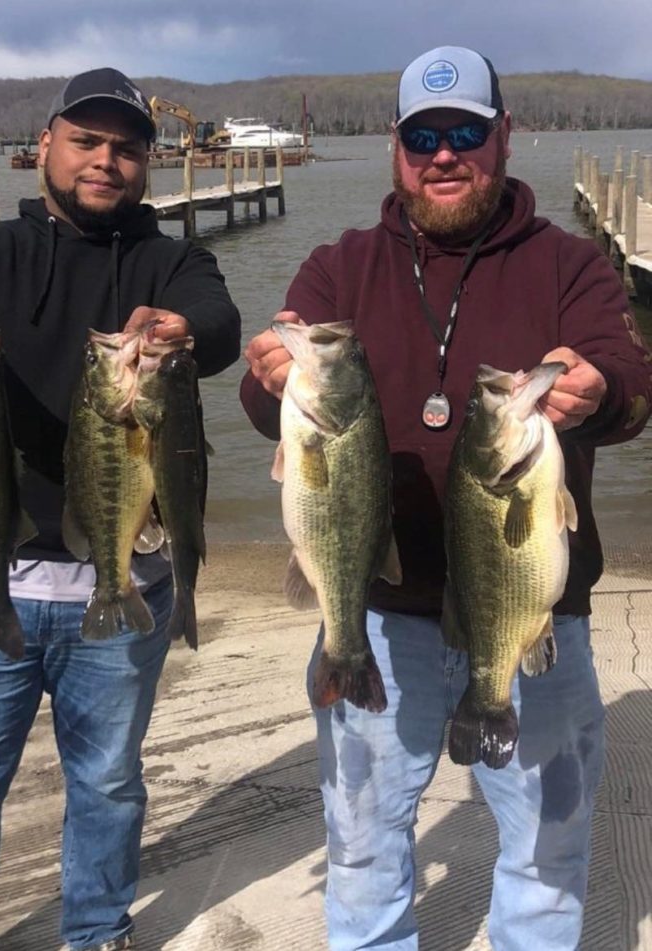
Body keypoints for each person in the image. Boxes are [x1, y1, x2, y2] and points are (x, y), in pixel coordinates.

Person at [240, 45, 652, 951]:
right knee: (361, 841)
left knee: (548, 845)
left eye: (464, 131)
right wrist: (269, 373)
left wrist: (604, 390)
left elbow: (628, 377)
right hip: (377, 608)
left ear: (503, 136)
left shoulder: (569, 264)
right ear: (397, 147)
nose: (444, 154)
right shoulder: (340, 264)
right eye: (424, 135)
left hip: (531, 613)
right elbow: (268, 393)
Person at [0, 67, 241, 951]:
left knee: (110, 782)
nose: (104, 161)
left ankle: (96, 931)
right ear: (43, 144)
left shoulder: (171, 259)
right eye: (85, 141)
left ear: (147, 163)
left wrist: (183, 330)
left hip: (119, 588)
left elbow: (221, 320)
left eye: (125, 148)